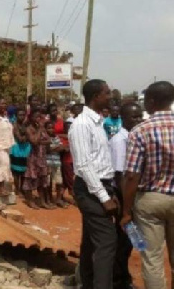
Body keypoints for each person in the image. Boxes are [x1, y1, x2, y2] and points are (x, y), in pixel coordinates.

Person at [121, 81, 174, 289]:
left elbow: (131, 175)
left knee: (153, 259)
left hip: (150, 200)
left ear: (152, 101)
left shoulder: (140, 131)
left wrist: (126, 211)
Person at [69, 79, 118, 289]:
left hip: (101, 186)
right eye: (107, 93)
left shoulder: (98, 122)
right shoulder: (81, 125)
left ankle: (87, 282)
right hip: (90, 190)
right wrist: (104, 197)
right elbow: (84, 165)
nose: (110, 96)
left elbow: (101, 160)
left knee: (91, 241)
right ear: (96, 96)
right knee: (107, 242)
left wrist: (110, 189)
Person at [109, 102, 143, 289]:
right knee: (123, 239)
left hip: (130, 194)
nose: (138, 120)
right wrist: (126, 207)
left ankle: (122, 275)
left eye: (139, 116)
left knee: (128, 240)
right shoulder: (120, 140)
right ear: (123, 118)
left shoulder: (133, 137)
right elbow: (120, 174)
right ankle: (118, 279)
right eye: (134, 117)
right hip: (123, 195)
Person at [22, 109, 51, 209]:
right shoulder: (29, 129)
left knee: (42, 180)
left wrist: (40, 140)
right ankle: (29, 201)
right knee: (30, 179)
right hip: (33, 157)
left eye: (39, 117)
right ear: (31, 118)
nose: (38, 119)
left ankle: (42, 201)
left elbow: (49, 140)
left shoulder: (41, 128)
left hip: (42, 157)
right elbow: (34, 141)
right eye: (36, 117)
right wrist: (40, 129)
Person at [10, 107, 31, 195]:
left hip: (26, 150)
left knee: (24, 171)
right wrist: (27, 135)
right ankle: (17, 189)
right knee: (16, 172)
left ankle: (22, 188)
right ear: (16, 116)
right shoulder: (14, 125)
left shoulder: (27, 125)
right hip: (16, 150)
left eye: (23, 115)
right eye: (20, 115)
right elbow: (20, 139)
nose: (21, 117)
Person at [45, 120, 65, 208]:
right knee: (48, 183)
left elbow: (62, 148)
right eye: (49, 128)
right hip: (47, 163)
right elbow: (47, 150)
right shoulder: (45, 138)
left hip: (57, 163)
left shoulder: (56, 137)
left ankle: (58, 199)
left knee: (59, 182)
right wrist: (56, 148)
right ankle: (49, 199)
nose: (51, 130)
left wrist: (53, 148)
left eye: (52, 128)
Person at [57, 121, 75, 206]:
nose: (69, 129)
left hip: (73, 162)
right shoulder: (61, 139)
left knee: (65, 182)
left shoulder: (73, 137)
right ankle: (76, 199)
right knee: (70, 181)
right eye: (67, 127)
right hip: (66, 161)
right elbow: (63, 149)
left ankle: (59, 198)